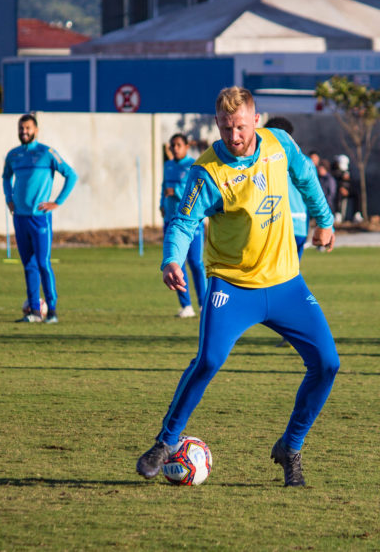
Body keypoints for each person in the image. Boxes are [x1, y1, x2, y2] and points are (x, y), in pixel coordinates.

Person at [136, 87, 339, 487]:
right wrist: (172, 259)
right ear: (217, 124)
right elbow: (183, 222)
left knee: (328, 364)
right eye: (227, 128)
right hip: (232, 285)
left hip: (285, 283)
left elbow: (306, 176)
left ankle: (290, 447)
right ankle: (166, 442)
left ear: (256, 120)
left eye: (241, 127)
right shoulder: (207, 172)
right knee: (209, 360)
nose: (234, 136)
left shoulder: (279, 144)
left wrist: (325, 220)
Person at [3, 113, 77, 323]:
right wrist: (9, 198)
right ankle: (34, 312)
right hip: (20, 218)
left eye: (28, 128)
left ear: (36, 130)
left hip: (40, 219)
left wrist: (57, 202)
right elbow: (6, 177)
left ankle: (52, 311)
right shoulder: (13, 155)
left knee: (43, 263)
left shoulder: (47, 153)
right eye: (21, 128)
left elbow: (71, 175)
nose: (24, 131)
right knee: (28, 264)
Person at [161, 133, 207, 317]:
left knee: (196, 263)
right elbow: (163, 187)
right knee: (176, 264)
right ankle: (186, 306)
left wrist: (175, 191)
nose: (175, 148)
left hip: (190, 222)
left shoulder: (193, 166)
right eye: (172, 145)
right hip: (170, 220)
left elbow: (195, 190)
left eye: (178, 145)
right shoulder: (168, 165)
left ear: (187, 147)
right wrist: (161, 204)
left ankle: (204, 304)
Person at [265, 117, 307, 258]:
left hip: (274, 225)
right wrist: (325, 224)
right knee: (292, 269)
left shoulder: (264, 162)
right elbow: (315, 195)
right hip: (300, 225)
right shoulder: (305, 161)